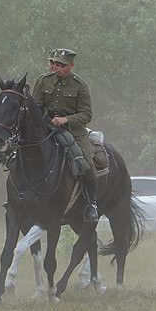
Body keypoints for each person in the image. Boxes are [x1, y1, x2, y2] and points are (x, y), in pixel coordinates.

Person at [32, 48, 98, 222]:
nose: (55, 67)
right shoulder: (42, 81)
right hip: (46, 129)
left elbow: (87, 114)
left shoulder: (80, 86)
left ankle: (92, 204)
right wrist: (47, 120)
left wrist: (65, 120)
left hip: (73, 132)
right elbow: (36, 107)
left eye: (60, 65)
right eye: (53, 63)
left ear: (71, 65)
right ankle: (19, 198)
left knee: (86, 161)